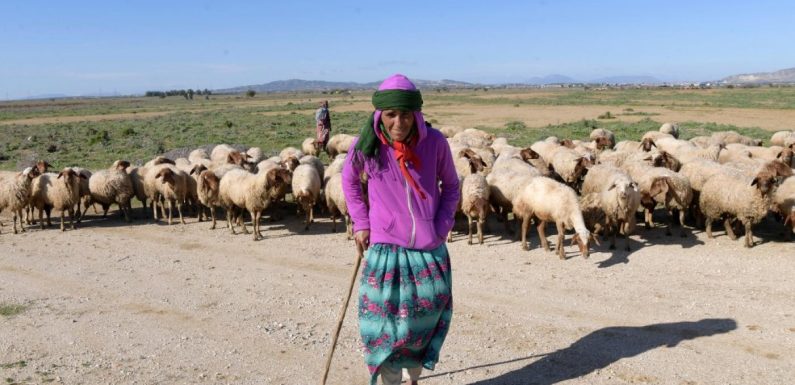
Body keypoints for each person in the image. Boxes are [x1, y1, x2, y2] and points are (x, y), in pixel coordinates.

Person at [342, 74, 460, 385]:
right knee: (382, 326)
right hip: (385, 250)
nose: (399, 122)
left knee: (421, 327)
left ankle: (415, 377)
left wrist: (441, 226)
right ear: (380, 114)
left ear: (416, 113)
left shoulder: (435, 143)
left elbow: (451, 186)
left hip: (427, 250)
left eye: (405, 114)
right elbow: (349, 180)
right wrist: (361, 222)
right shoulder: (366, 145)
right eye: (391, 114)